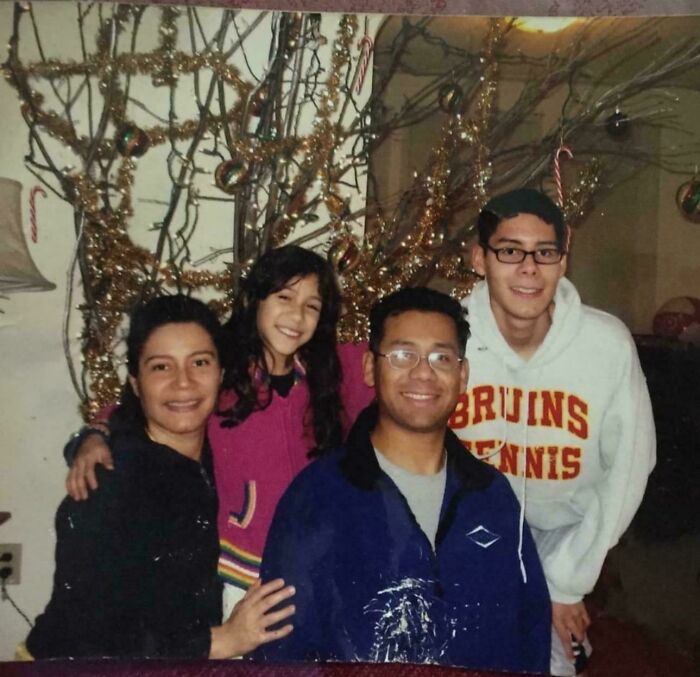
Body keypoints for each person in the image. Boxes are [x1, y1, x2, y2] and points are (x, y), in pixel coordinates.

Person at [64, 246, 374, 619]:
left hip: (316, 566)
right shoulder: (222, 370)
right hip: (241, 571)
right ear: (255, 299)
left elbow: (399, 366)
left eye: (312, 305)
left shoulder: (329, 372)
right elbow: (140, 405)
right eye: (284, 297)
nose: (296, 315)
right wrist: (94, 434)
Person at [256, 287, 551, 673]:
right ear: (369, 368)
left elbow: (531, 631)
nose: (423, 372)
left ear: (462, 374)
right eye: (402, 355)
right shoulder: (319, 496)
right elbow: (282, 649)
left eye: (441, 357)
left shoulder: (491, 495)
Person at [449, 188, 656, 676]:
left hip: (567, 538)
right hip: (466, 542)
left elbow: (630, 467)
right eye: (509, 250)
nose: (528, 268)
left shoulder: (605, 345)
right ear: (479, 258)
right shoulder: (445, 334)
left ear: (564, 261)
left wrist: (566, 583)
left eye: (545, 252)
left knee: (552, 662)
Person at [25, 295, 295, 659]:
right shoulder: (107, 484)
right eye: (161, 367)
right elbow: (82, 638)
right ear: (136, 383)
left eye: (199, 362)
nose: (183, 383)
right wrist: (222, 640)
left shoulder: (228, 454)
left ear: (221, 373)